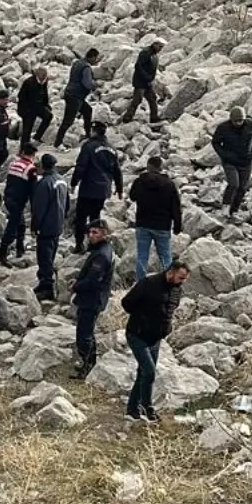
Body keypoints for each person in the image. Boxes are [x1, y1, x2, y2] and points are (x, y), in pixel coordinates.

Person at [121, 260, 191, 423]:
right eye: (181, 278)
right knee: (149, 372)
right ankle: (147, 408)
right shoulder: (148, 283)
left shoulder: (176, 290)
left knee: (143, 373)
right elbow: (127, 303)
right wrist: (143, 315)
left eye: (185, 279)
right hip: (137, 334)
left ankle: (132, 410)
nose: (183, 282)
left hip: (156, 338)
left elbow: (170, 311)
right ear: (171, 272)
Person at [70, 121, 124, 253]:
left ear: (94, 131)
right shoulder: (112, 148)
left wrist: (73, 182)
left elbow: (81, 166)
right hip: (103, 189)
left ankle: (79, 244)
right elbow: (117, 170)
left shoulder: (89, 146)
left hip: (89, 187)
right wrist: (119, 187)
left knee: (81, 217)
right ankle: (93, 245)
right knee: (95, 217)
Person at [70, 219, 114, 376]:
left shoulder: (102, 255)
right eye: (90, 232)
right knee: (87, 332)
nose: (91, 236)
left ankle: (86, 366)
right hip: (93, 298)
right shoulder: (103, 250)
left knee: (84, 334)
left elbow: (93, 280)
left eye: (95, 232)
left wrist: (76, 287)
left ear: (104, 234)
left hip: (92, 299)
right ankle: (90, 362)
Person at [128, 155, 182, 280]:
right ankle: (168, 284)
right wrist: (177, 226)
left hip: (143, 223)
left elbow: (132, 197)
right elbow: (176, 207)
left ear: (148, 166)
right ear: (161, 167)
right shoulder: (169, 184)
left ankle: (140, 284)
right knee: (165, 257)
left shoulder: (139, 181)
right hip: (162, 225)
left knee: (142, 256)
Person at [31, 153, 69, 302]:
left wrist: (35, 226)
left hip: (46, 226)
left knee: (44, 257)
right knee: (51, 255)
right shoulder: (62, 181)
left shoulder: (45, 183)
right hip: (57, 224)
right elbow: (66, 204)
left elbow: (39, 208)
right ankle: (46, 282)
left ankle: (47, 286)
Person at [211, 106, 252, 215]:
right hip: (230, 161)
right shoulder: (223, 127)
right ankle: (225, 206)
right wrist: (224, 155)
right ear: (231, 120)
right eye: (236, 121)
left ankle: (234, 210)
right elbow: (215, 142)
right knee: (234, 184)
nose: (238, 123)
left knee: (243, 188)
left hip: (246, 161)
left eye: (241, 121)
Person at [0, 144, 38, 266]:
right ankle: (2, 252)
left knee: (20, 223)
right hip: (18, 201)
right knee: (12, 227)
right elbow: (33, 191)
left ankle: (20, 248)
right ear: (33, 155)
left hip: (8, 198)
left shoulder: (14, 164)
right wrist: (34, 209)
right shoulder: (30, 169)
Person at [54, 48, 100, 147]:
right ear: (92, 57)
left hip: (71, 94)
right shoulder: (86, 67)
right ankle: (57, 143)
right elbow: (87, 83)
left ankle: (88, 135)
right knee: (68, 121)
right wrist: (95, 85)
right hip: (75, 96)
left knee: (88, 110)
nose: (96, 61)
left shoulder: (77, 63)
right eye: (96, 58)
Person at [121, 39, 164, 124]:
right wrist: (146, 77)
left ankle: (154, 118)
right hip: (140, 82)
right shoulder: (145, 53)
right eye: (159, 46)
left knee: (152, 98)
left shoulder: (153, 54)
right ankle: (127, 118)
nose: (160, 49)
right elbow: (138, 66)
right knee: (137, 100)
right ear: (154, 44)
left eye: (161, 47)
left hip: (147, 83)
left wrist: (150, 79)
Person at [17, 67, 53, 150]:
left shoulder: (44, 80)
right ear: (37, 75)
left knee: (48, 116)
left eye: (45, 76)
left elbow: (44, 93)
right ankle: (23, 149)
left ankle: (37, 137)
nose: (43, 78)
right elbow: (21, 96)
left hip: (38, 106)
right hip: (27, 108)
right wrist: (26, 110)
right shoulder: (28, 82)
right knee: (27, 129)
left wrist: (46, 105)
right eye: (42, 76)